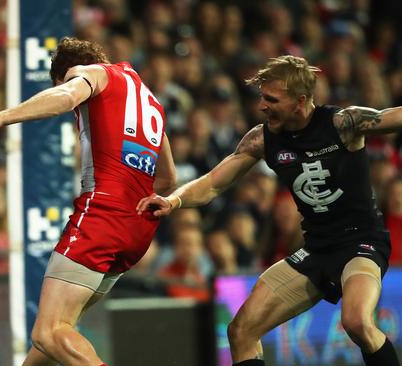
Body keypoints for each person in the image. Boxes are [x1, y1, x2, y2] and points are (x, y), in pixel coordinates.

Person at [137, 55, 400, 366]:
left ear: (300, 101)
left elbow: (392, 116)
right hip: (316, 249)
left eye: (271, 99)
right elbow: (212, 183)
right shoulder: (262, 139)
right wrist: (173, 201)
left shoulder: (344, 124)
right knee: (241, 331)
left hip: (361, 244)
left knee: (357, 322)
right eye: (262, 97)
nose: (262, 105)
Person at [0, 37, 176, 366]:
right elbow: (168, 178)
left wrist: (0, 117)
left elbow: (67, 95)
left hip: (103, 216)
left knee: (46, 332)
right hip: (138, 228)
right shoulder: (148, 101)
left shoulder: (90, 74)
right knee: (58, 330)